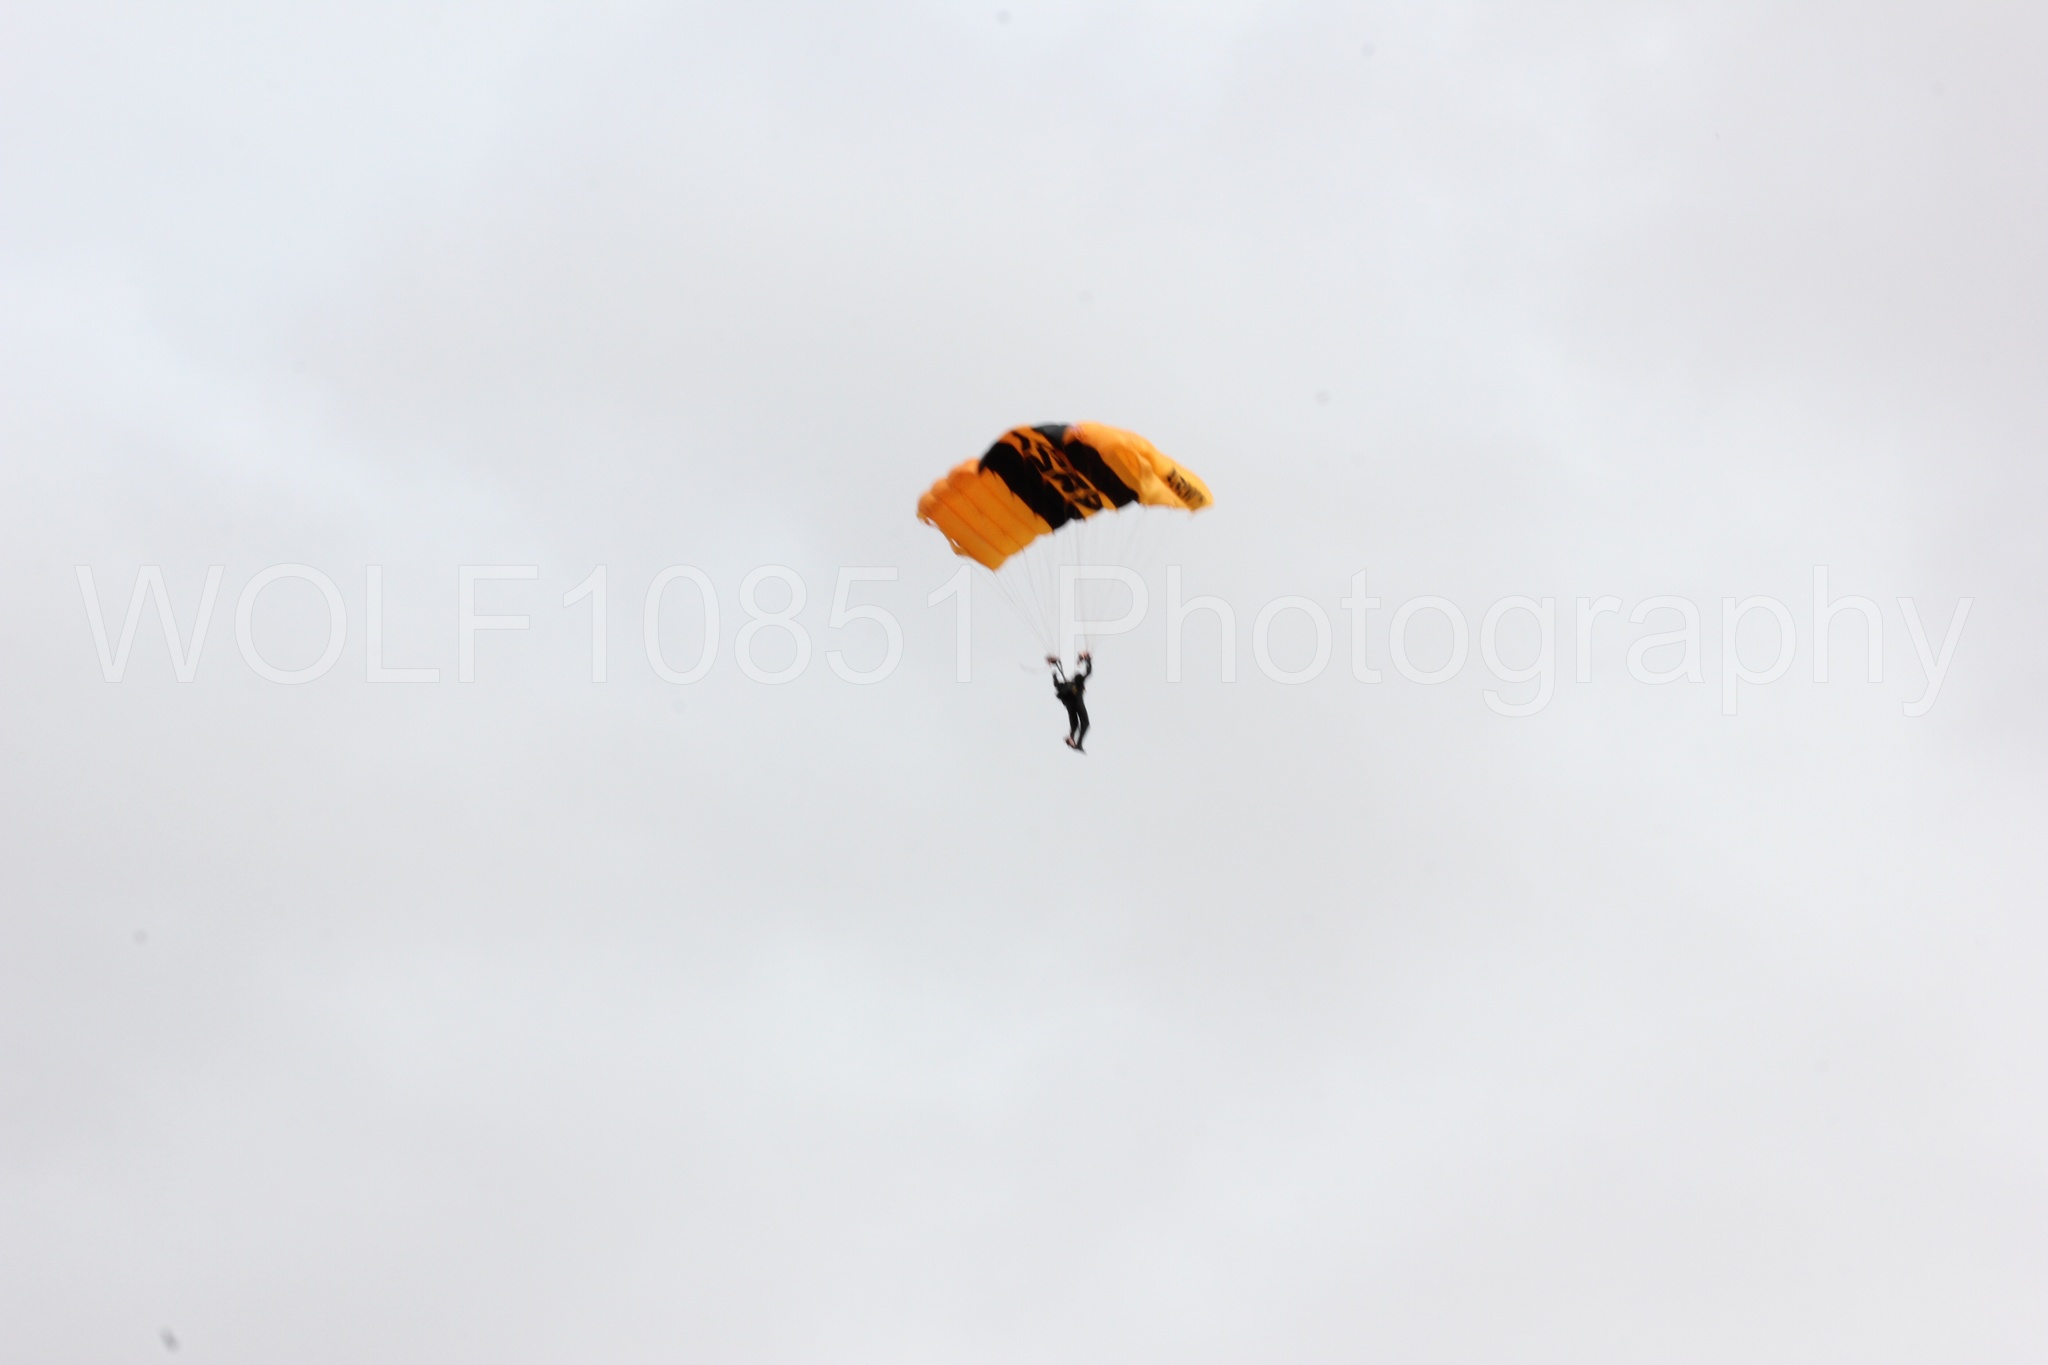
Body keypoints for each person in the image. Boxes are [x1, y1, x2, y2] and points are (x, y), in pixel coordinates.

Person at [1048, 650, 1092, 752]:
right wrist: (1088, 660)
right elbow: (1089, 672)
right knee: (1085, 724)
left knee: (1075, 724)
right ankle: (1078, 743)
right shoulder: (1079, 683)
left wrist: (1054, 675)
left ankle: (1072, 737)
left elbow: (1057, 685)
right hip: (1077, 703)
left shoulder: (1066, 686)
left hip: (1070, 706)